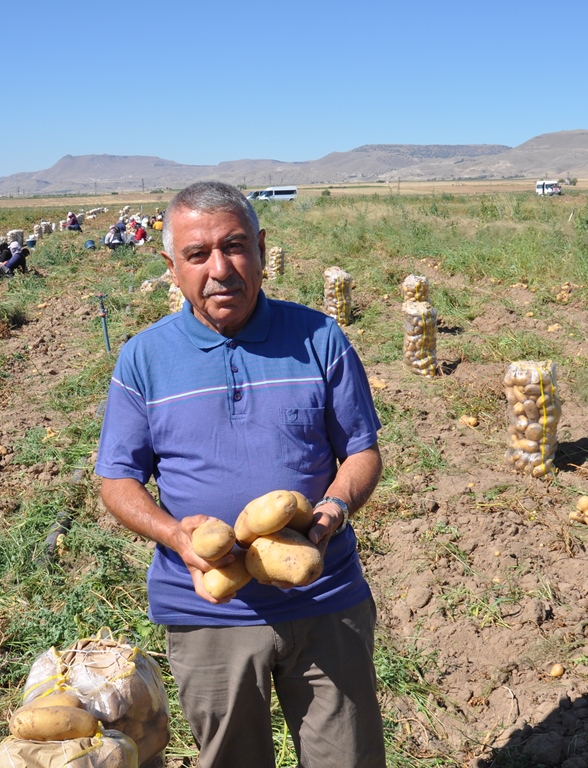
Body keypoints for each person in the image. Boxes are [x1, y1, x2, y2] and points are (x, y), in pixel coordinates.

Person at [95, 180, 385, 768]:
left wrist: (332, 510)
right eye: (198, 254)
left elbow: (361, 450)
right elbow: (117, 481)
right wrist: (176, 536)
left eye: (234, 247)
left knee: (348, 757)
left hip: (323, 596)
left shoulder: (320, 338)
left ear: (261, 248)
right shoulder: (143, 358)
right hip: (207, 609)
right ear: (172, 267)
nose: (220, 269)